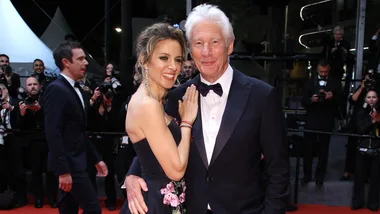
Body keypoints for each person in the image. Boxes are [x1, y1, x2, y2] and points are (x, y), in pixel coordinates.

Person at [123, 4, 289, 214]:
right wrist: (131, 175)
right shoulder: (176, 96)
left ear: (230, 45)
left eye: (215, 42)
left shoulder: (262, 96)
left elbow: (279, 169)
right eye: (198, 43)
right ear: (191, 50)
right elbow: (154, 142)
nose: (206, 52)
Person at [119, 22, 196, 214]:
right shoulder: (148, 105)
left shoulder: (155, 100)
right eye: (164, 58)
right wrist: (186, 122)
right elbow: (176, 171)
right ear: (144, 59)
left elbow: (147, 152)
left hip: (163, 200)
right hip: (154, 204)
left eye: (178, 60)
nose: (173, 67)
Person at [44, 41, 108, 214]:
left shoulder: (76, 89)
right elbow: (52, 132)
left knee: (68, 209)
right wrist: (63, 171)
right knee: (93, 208)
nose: (86, 62)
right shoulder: (56, 89)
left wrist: (96, 158)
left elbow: (79, 130)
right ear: (66, 62)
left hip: (79, 161)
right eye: (80, 59)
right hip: (69, 164)